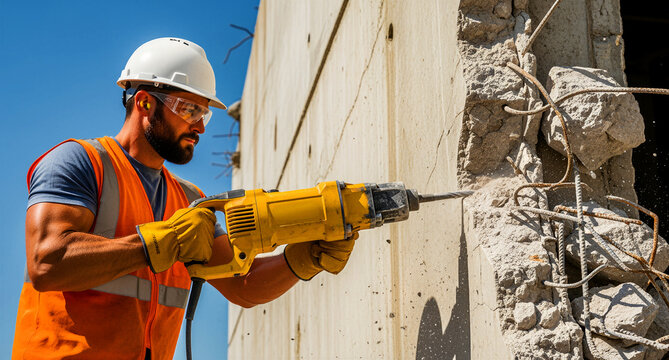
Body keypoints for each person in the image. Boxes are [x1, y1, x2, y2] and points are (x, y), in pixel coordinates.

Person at [13, 37, 356, 360]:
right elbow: (47, 263)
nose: (201, 127)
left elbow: (244, 285)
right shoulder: (81, 162)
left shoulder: (190, 200)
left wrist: (302, 260)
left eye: (203, 113)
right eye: (189, 109)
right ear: (145, 102)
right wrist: (159, 244)